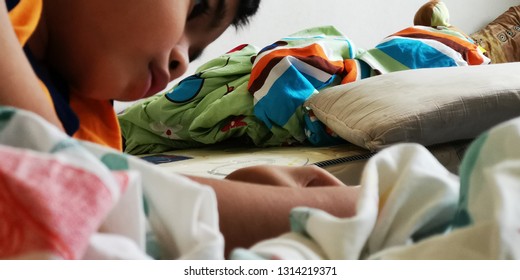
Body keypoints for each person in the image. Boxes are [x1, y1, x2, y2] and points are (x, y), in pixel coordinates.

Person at [1, 0, 360, 257]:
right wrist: (325, 208)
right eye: (198, 8)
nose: (182, 61)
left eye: (197, 50)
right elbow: (75, 188)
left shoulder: (78, 114)